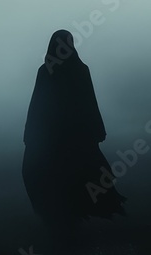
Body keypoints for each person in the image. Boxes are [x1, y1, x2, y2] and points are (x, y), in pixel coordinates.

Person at [22, 30, 126, 240]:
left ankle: (66, 222)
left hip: (60, 135)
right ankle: (67, 222)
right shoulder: (72, 70)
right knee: (70, 173)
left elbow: (85, 101)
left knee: (62, 174)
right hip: (67, 135)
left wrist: (31, 132)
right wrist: (96, 129)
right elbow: (41, 103)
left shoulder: (51, 70)